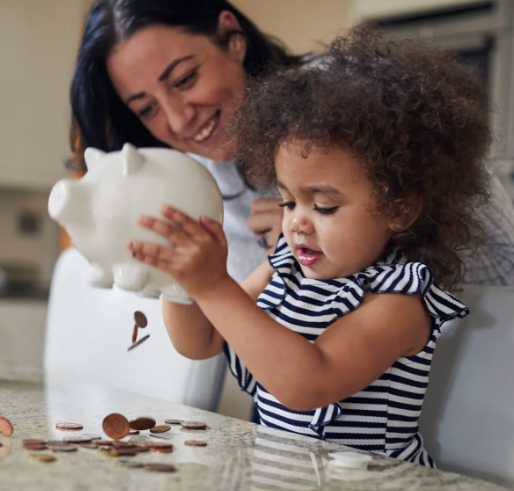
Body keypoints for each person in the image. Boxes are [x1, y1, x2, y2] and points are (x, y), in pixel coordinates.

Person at [127, 28, 492, 467]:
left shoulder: (398, 301)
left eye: (323, 206)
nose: (296, 221)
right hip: (285, 483)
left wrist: (214, 285)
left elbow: (309, 382)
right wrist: (181, 281)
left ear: (399, 209)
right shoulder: (283, 268)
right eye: (288, 201)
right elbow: (201, 340)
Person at [70, 0, 514, 287]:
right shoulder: (189, 177)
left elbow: (504, 263)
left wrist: (339, 250)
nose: (179, 118)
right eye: (147, 108)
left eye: (185, 79)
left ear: (232, 37)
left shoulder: (354, 106)